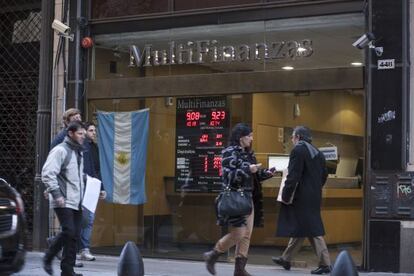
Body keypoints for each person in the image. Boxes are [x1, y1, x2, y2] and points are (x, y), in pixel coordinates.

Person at [203, 123, 274, 276]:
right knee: (239, 233)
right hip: (235, 199)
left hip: (248, 198)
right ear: (241, 137)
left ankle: (239, 269)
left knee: (247, 234)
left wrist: (266, 173)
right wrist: (248, 169)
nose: (252, 138)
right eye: (250, 135)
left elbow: (252, 177)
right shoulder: (229, 152)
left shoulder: (248, 153)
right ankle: (213, 254)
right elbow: (229, 176)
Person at [272, 126, 331, 275]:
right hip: (314, 196)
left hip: (301, 197)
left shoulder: (298, 150)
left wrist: (285, 195)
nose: (292, 140)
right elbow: (325, 176)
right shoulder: (318, 153)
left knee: (314, 230)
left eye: (292, 137)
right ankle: (286, 258)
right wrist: (314, 189)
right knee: (302, 227)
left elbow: (293, 176)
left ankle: (326, 264)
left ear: (298, 136)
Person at [42, 121, 86, 276]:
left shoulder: (78, 151)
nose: (83, 137)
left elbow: (77, 176)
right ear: (71, 133)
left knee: (74, 235)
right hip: (63, 199)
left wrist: (96, 187)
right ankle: (48, 257)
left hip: (77, 200)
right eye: (80, 134)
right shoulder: (60, 150)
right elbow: (47, 173)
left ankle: (67, 270)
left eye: (84, 134)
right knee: (68, 231)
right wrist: (56, 194)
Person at [79, 122, 106, 261]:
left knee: (88, 219)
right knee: (82, 219)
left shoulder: (94, 148)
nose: (93, 133)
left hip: (92, 187)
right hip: (82, 187)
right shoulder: (81, 147)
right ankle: (63, 244)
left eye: (94, 130)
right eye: (91, 130)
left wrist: (101, 188)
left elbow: (97, 170)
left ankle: (84, 248)